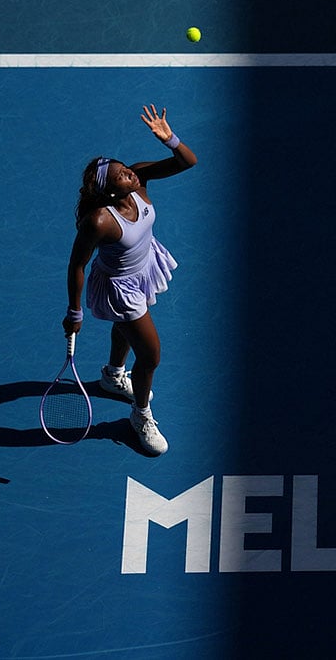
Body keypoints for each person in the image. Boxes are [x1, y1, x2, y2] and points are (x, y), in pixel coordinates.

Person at [62, 104, 197, 456]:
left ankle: (112, 375)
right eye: (122, 176)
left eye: (127, 170)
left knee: (127, 331)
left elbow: (187, 162)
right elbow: (77, 264)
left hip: (144, 267)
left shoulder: (140, 179)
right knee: (150, 356)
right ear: (110, 192)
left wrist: (170, 139)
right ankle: (140, 416)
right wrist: (74, 311)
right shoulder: (99, 222)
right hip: (120, 287)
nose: (130, 175)